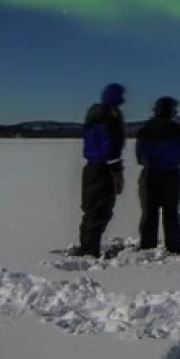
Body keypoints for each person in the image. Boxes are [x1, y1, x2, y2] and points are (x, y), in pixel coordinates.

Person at [76, 82, 127, 257]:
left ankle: (88, 247)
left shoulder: (96, 113)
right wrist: (116, 169)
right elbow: (109, 145)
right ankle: (89, 250)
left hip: (94, 168)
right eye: (121, 96)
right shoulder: (107, 117)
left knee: (93, 210)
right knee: (99, 210)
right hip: (102, 169)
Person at [136, 95, 180, 252]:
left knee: (149, 211)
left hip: (150, 174)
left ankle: (147, 246)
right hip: (172, 175)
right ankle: (173, 246)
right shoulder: (178, 130)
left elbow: (140, 156)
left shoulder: (145, 129)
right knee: (171, 211)